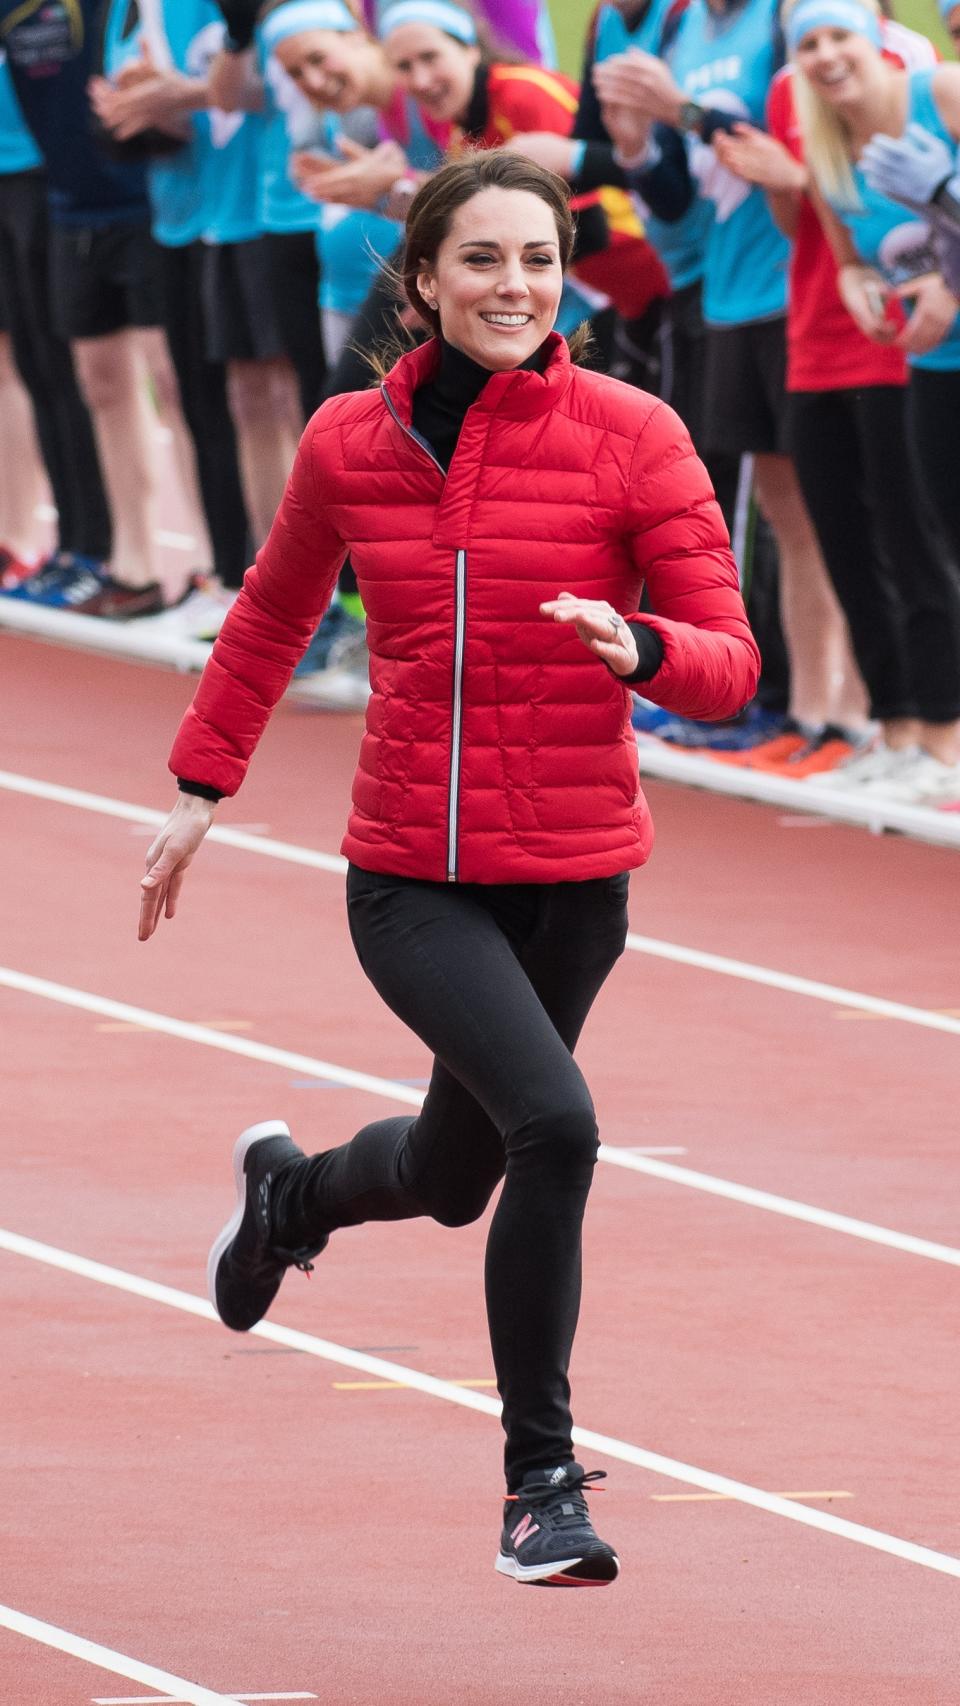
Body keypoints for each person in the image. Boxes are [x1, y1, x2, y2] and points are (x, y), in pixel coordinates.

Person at [138, 150, 759, 1585]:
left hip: (576, 874)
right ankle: (540, 1482)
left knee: (455, 1168)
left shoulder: (636, 434)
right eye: (481, 260)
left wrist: (645, 648)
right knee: (558, 1123)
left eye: (538, 261)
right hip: (413, 872)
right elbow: (271, 612)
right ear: (422, 278)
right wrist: (197, 787)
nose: (515, 288)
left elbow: (730, 661)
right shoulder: (351, 442)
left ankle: (289, 1199)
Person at [786, 0, 960, 802]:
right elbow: (855, 256)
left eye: (837, 36)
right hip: (933, 368)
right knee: (937, 540)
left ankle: (944, 740)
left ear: (877, 39)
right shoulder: (827, 149)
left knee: (925, 552)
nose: (823, 55)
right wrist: (862, 288)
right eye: (807, 43)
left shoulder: (944, 93)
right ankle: (909, 734)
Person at [0, 0, 167, 617]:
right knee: (45, 367)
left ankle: (102, 547)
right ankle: (80, 550)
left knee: (114, 376)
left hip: (88, 191)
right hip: (47, 193)